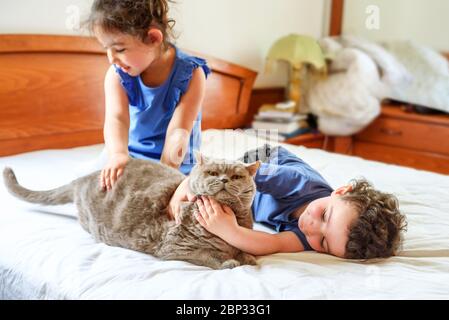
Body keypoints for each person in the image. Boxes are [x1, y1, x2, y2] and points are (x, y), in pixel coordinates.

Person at [169, 145, 407, 260]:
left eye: (323, 242)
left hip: (252, 199)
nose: (312, 228)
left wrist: (229, 231)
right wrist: (188, 185)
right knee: (220, 178)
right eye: (324, 215)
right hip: (263, 160)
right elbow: (236, 172)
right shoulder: (300, 182)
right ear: (341, 191)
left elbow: (271, 244)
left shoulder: (312, 239)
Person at [86, 0, 211, 190]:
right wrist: (118, 154)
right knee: (86, 187)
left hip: (175, 163)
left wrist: (163, 175)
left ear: (153, 38)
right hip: (127, 157)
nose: (111, 59)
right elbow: (117, 119)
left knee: (190, 201)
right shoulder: (117, 74)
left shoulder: (192, 74)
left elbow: (179, 132)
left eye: (119, 49)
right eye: (106, 49)